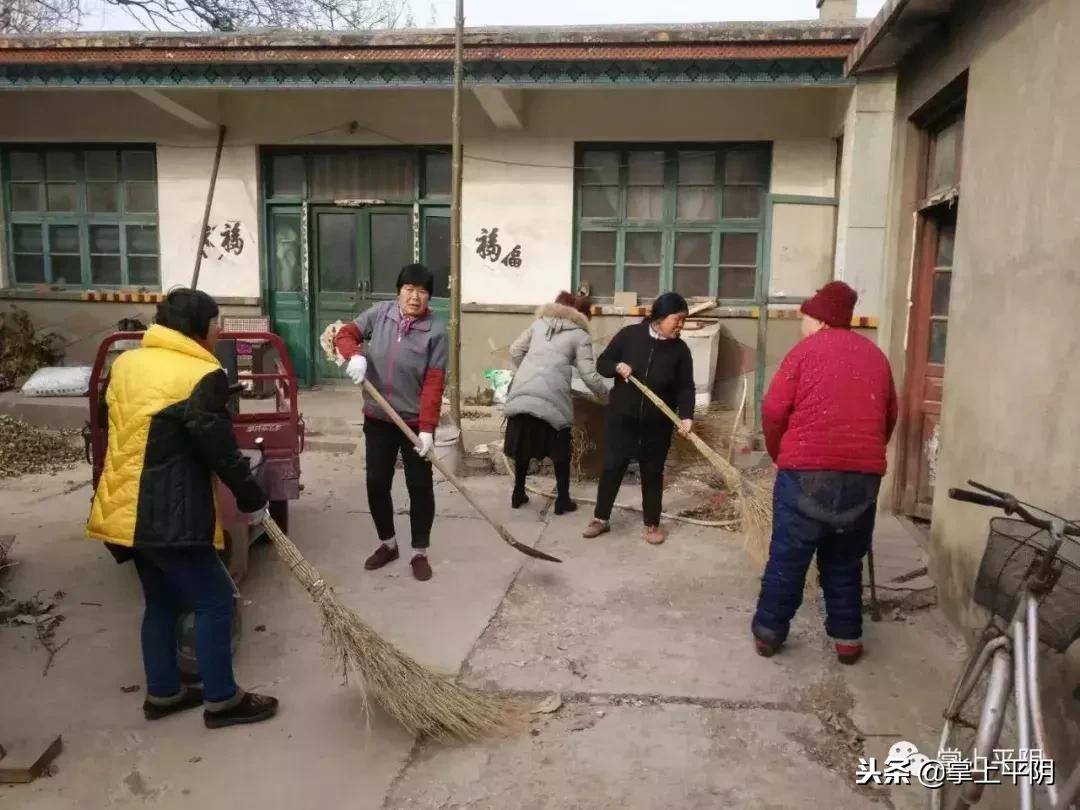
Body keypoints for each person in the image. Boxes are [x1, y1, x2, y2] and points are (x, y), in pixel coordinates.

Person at [86, 288, 278, 728]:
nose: (220, 331)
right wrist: (252, 497)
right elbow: (221, 450)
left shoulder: (127, 363)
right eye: (215, 324)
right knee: (214, 600)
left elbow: (105, 419)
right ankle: (223, 701)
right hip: (168, 510)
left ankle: (164, 692)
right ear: (197, 327)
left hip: (123, 507)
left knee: (161, 600)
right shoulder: (200, 372)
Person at [751, 281, 898, 665]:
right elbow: (889, 415)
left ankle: (769, 634)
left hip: (805, 471)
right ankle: (848, 639)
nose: (801, 323)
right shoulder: (876, 356)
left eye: (804, 316)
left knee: (788, 557)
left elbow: (772, 411)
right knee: (845, 559)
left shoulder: (804, 353)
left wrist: (779, 452)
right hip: (862, 478)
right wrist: (866, 456)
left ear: (818, 318)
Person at [335, 264, 447, 583]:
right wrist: (353, 354)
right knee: (376, 483)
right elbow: (346, 333)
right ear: (399, 291)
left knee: (420, 486)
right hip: (378, 417)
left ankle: (419, 552)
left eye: (422, 292)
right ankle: (388, 544)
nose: (415, 297)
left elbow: (434, 383)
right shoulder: (380, 314)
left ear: (429, 297)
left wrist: (427, 429)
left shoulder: (436, 331)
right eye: (409, 289)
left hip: (412, 422)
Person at [582, 292, 695, 546]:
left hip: (657, 425)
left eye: (683, 321)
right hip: (622, 419)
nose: (680, 326)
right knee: (612, 467)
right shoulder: (629, 336)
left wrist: (686, 416)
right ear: (661, 317)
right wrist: (617, 367)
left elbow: (686, 387)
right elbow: (603, 363)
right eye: (677, 320)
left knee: (652, 473)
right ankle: (601, 517)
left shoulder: (680, 350)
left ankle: (652, 523)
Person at [503, 291, 608, 513]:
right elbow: (589, 375)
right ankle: (562, 501)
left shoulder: (539, 324)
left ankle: (518, 493)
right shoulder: (580, 334)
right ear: (584, 315)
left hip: (523, 393)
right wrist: (607, 397)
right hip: (553, 398)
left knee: (523, 446)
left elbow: (514, 350)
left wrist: (529, 373)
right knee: (560, 450)